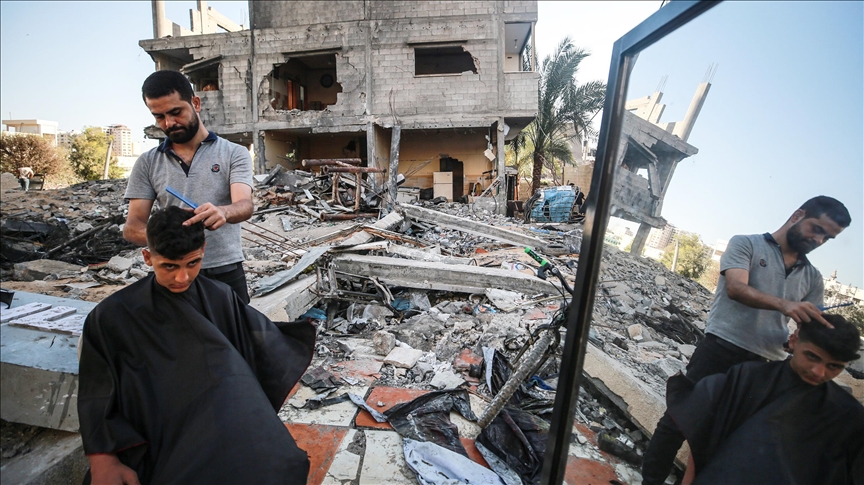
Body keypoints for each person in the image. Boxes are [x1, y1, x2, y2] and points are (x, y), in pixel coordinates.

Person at [78, 207, 315, 485]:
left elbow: (258, 351)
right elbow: (97, 392)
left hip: (221, 416)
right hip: (158, 428)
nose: (182, 278)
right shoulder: (112, 315)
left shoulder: (220, 296)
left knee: (282, 465)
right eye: (169, 266)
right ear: (147, 257)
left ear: (203, 250)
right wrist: (102, 459)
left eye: (193, 263)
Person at [641, 195, 852, 484]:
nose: (818, 240)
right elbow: (736, 289)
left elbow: (813, 322)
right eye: (816, 229)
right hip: (721, 348)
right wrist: (785, 304)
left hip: (767, 366)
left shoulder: (813, 277)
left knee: (732, 438)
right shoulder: (747, 244)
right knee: (678, 423)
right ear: (797, 215)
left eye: (828, 238)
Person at [667, 314, 863, 484]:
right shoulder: (747, 378)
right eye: (812, 357)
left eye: (834, 367)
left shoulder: (846, 413)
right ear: (794, 341)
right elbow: (703, 434)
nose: (819, 372)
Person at [124, 70, 254, 303]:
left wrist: (223, 212)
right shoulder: (147, 162)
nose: (170, 123)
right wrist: (170, 238)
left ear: (195, 103)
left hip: (224, 269)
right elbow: (132, 226)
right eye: (159, 117)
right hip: (172, 274)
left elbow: (244, 205)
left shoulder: (234, 153)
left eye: (176, 112)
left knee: (236, 336)